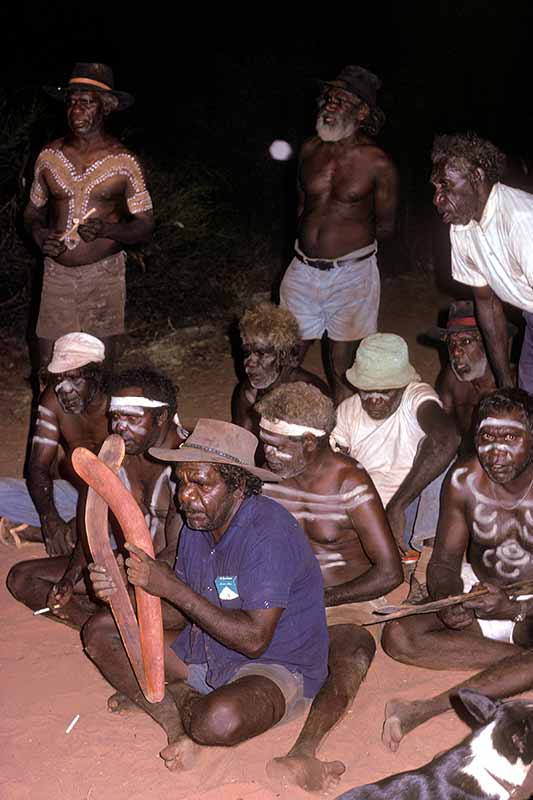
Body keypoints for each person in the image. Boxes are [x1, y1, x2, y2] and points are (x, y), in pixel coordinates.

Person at [83, 419, 329, 774]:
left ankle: (178, 705)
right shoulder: (198, 525)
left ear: (239, 486)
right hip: (206, 650)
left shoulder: (268, 533)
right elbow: (179, 616)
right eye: (181, 481)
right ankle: (174, 722)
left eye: (201, 483)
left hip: (275, 666)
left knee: (218, 720)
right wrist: (124, 593)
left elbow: (254, 640)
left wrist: (170, 587)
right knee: (101, 630)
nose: (185, 496)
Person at [255, 383, 402, 791]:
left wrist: (322, 599)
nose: (266, 453)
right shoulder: (268, 473)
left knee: (351, 653)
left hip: (346, 601)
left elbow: (391, 573)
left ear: (309, 442)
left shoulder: (348, 482)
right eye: (264, 443)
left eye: (278, 446)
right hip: (281, 601)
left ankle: (304, 750)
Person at [381, 389, 533, 752]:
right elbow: (446, 561)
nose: (495, 451)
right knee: (398, 636)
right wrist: (449, 599)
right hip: (482, 597)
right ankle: (518, 668)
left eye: (510, 437)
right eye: (486, 436)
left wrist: (513, 609)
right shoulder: (465, 480)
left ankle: (424, 709)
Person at [7, 367, 184, 630]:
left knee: (111, 611)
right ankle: (99, 624)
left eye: (132, 419)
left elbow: (179, 553)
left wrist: (129, 577)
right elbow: (93, 523)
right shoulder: (115, 455)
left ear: (161, 417)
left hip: (174, 582)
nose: (119, 428)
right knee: (22, 579)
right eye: (116, 417)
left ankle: (107, 625)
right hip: (127, 568)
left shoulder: (186, 466)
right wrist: (70, 577)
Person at [279, 65, 399, 402]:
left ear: (362, 112)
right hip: (302, 271)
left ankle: (343, 443)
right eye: (328, 98)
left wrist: (349, 253)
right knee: (283, 360)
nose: (329, 104)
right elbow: (301, 210)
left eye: (341, 100)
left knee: (343, 366)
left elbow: (386, 226)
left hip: (352, 275)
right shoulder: (308, 151)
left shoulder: (378, 163)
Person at [24, 62, 154, 369]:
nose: (76, 110)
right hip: (57, 276)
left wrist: (108, 231)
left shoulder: (124, 163)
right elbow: (31, 212)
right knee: (48, 367)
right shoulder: (48, 157)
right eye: (71, 101)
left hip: (104, 276)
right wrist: (39, 235)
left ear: (106, 106)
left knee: (101, 369)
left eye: (87, 102)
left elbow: (145, 225)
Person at [332, 333, 459, 552]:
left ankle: (428, 558)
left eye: (384, 392)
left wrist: (397, 506)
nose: (373, 399)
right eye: (366, 390)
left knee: (444, 454)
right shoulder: (347, 411)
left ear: (403, 385)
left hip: (412, 514)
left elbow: (448, 437)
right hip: (367, 520)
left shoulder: (415, 396)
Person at [431, 131, 533, 392]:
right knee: (522, 397)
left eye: (446, 185)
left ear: (476, 177)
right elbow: (487, 304)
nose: (437, 198)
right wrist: (505, 384)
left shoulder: (520, 220)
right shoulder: (462, 228)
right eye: (435, 187)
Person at [0, 332, 109, 554]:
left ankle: (36, 532)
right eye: (58, 379)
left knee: (117, 528)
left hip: (121, 503)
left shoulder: (122, 404)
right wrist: (50, 519)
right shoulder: (52, 402)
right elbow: (38, 467)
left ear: (96, 376)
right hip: (77, 495)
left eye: (75, 378)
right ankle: (70, 534)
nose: (65, 390)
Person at [231, 302, 329, 443]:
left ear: (282, 355)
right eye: (247, 352)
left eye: (261, 353)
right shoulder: (247, 391)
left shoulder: (309, 393)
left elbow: (310, 452)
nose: (250, 362)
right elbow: (240, 442)